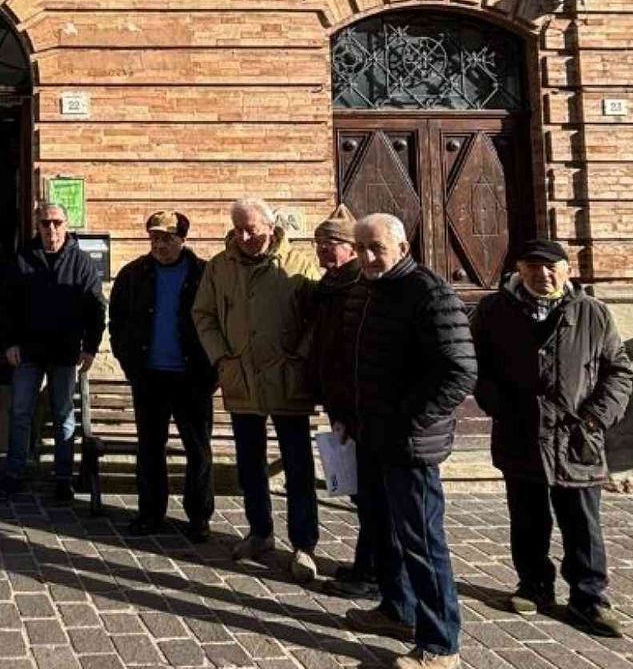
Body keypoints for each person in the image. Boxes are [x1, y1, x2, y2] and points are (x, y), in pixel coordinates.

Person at [472, 239, 633, 638]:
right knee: (527, 517)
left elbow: (619, 371)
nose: (543, 275)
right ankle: (534, 586)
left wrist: (595, 420)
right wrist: (497, 404)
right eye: (533, 267)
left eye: (552, 267)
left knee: (582, 521)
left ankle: (590, 597)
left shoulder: (592, 313)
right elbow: (475, 365)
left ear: (566, 270)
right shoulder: (494, 312)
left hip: (577, 436)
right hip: (520, 431)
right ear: (519, 270)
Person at [343, 213, 475, 669]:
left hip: (409, 442)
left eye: (375, 247)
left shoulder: (430, 292)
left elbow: (459, 370)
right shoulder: (367, 288)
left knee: (422, 540)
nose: (366, 256)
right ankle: (396, 609)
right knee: (384, 530)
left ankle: (441, 645)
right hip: (372, 435)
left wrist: (409, 422)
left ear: (401, 246)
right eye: (359, 247)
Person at [191, 198, 321, 582]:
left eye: (252, 228)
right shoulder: (220, 267)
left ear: (270, 224)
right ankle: (260, 531)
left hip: (288, 379)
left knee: (298, 465)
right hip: (241, 378)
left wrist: (301, 356)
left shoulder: (299, 262)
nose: (245, 236)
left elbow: (318, 319)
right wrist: (221, 359)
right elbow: (204, 315)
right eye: (238, 229)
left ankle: (303, 543)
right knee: (250, 464)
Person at [108, 210, 214, 541]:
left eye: (167, 238)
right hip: (150, 377)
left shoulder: (204, 274)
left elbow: (221, 320)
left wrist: (212, 372)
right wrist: (131, 366)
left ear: (183, 238)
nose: (160, 244)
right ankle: (150, 513)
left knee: (198, 449)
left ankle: (199, 516)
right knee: (150, 447)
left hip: (192, 378)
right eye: (154, 237)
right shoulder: (133, 274)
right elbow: (118, 323)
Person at [0, 202, 106, 503]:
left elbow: (96, 306)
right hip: (28, 351)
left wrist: (91, 347)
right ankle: (14, 473)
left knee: (63, 415)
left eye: (57, 222)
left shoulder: (80, 261)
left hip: (65, 351)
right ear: (37, 225)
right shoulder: (22, 258)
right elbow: (5, 305)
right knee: (20, 413)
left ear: (66, 225)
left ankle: (62, 478)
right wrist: (9, 343)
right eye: (45, 223)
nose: (51, 229)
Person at [309, 204, 378, 600]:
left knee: (372, 493)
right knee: (359, 491)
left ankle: (373, 572)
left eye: (331, 243)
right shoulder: (328, 286)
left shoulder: (361, 286)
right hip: (340, 403)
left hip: (361, 404)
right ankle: (367, 562)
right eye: (319, 244)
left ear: (352, 248)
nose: (322, 251)